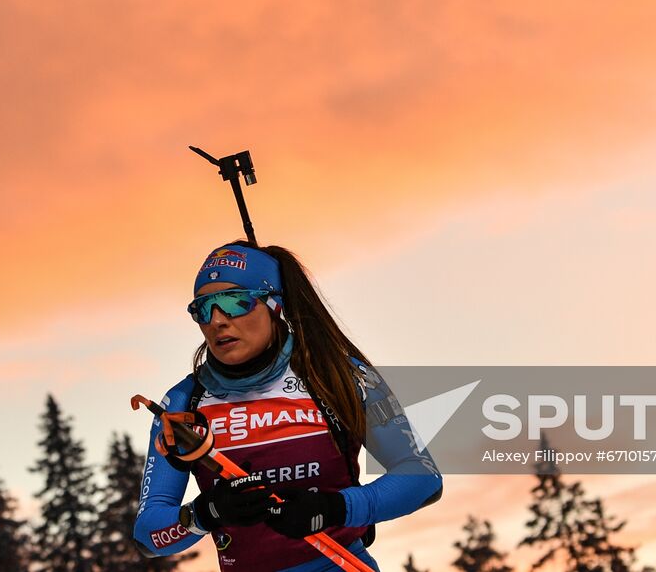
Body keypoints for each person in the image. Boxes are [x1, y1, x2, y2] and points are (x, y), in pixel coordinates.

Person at [133, 241, 442, 571]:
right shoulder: (183, 404)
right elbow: (147, 535)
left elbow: (423, 478)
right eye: (202, 309)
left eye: (234, 302)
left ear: (275, 305)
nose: (217, 321)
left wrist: (335, 507)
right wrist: (206, 513)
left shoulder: (339, 376)